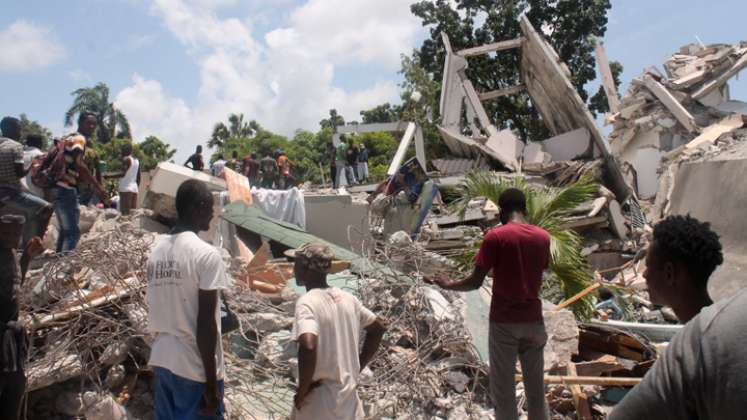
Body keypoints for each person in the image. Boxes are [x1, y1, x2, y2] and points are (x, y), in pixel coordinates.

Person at [426, 188, 550, 420]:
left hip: (504, 323)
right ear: (525, 209)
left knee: (504, 392)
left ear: (502, 211)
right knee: (536, 390)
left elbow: (474, 282)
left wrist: (448, 284)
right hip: (534, 321)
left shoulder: (495, 237)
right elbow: (540, 270)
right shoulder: (543, 237)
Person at [608, 215, 742, 420]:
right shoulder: (727, 327)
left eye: (649, 266)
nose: (643, 276)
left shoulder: (691, 348)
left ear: (669, 273)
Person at [146, 179, 228, 419]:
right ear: (198, 207)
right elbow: (205, 325)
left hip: (162, 359)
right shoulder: (206, 255)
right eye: (210, 206)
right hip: (194, 370)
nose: (213, 213)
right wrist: (211, 386)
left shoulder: (156, 254)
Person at [291, 241, 386, 420]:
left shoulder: (307, 302)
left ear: (306, 269)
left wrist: (302, 391)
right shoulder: (348, 299)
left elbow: (309, 346)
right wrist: (356, 367)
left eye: (295, 264)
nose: (293, 269)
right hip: (349, 402)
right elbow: (378, 329)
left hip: (319, 404)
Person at [0, 215, 44, 420]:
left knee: (15, 387)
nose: (11, 237)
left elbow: (15, 286)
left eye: (15, 233)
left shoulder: (11, 255)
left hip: (10, 335)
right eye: (6, 232)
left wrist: (26, 257)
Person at [0, 117, 53, 247]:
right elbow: (19, 173)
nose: (20, 133)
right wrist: (31, 166)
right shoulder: (16, 146)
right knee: (46, 208)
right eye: (18, 129)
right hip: (11, 192)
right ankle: (32, 247)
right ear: (11, 129)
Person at [53, 134, 107, 253]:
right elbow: (81, 166)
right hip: (66, 190)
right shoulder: (79, 140)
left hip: (55, 189)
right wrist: (97, 186)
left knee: (64, 230)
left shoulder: (65, 142)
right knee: (73, 233)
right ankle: (64, 267)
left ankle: (56, 263)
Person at [74, 112, 102, 206]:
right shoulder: (77, 139)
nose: (92, 126)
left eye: (94, 124)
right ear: (80, 123)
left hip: (86, 191)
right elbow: (80, 164)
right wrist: (98, 186)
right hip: (75, 189)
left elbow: (97, 170)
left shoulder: (88, 145)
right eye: (88, 123)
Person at [115, 142, 140, 215]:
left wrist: (107, 175)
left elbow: (122, 173)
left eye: (122, 150)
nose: (121, 153)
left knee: (125, 214)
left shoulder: (126, 159)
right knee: (132, 216)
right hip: (134, 189)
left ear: (125, 151)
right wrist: (134, 187)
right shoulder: (136, 161)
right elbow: (138, 178)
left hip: (125, 189)